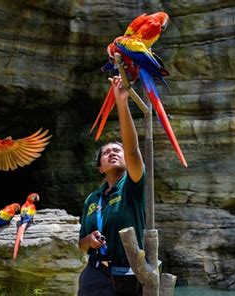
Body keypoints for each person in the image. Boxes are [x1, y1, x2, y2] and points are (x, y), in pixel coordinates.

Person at [77, 76, 145, 296]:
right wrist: (88, 241)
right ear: (100, 168)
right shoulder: (92, 200)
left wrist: (122, 103)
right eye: (106, 152)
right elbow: (81, 244)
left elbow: (133, 150)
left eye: (118, 150)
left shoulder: (132, 186)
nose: (113, 152)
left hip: (128, 274)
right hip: (94, 274)